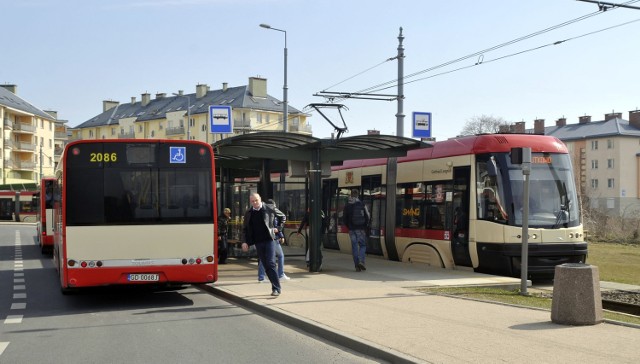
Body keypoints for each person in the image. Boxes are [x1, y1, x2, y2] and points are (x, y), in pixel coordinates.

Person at [241, 193, 285, 297]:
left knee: (270, 263)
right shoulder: (249, 212)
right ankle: (275, 286)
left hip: (269, 240)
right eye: (252, 201)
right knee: (265, 265)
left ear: (260, 199)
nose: (255, 203)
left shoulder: (269, 208)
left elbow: (282, 216)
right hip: (258, 241)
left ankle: (276, 288)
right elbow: (245, 229)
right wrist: (244, 242)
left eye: (256, 200)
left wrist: (278, 228)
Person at [258, 199, 290, 281]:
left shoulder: (262, 212)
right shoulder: (272, 212)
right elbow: (282, 218)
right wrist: (279, 231)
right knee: (280, 256)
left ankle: (261, 276)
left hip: (263, 237)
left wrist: (280, 234)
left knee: (263, 257)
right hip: (272, 238)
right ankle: (281, 274)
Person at [343, 189, 370, 272]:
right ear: (358, 195)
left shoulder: (347, 205)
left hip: (351, 230)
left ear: (351, 195)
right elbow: (367, 216)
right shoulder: (362, 204)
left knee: (354, 247)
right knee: (362, 245)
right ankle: (361, 261)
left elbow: (344, 219)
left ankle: (357, 266)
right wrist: (365, 226)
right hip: (361, 229)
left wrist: (349, 227)